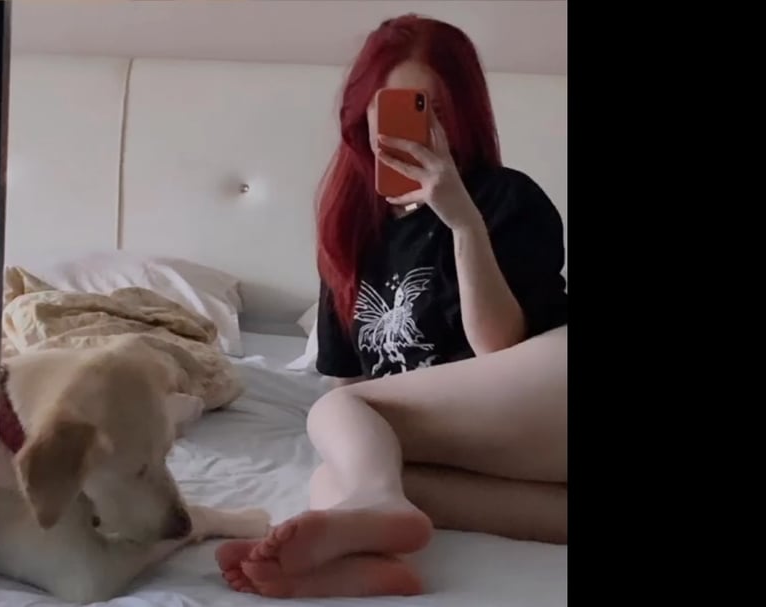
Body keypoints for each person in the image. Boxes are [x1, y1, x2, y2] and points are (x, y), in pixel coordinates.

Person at [214, 14, 568, 599]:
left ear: (464, 113)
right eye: (401, 105)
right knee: (341, 469)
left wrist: (462, 222)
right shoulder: (352, 231)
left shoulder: (506, 198)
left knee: (340, 417)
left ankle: (377, 505)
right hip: (498, 453)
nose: (423, 126)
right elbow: (350, 378)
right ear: (364, 112)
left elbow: (498, 351)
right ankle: (370, 560)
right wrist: (364, 465)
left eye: (435, 108)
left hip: (545, 395)